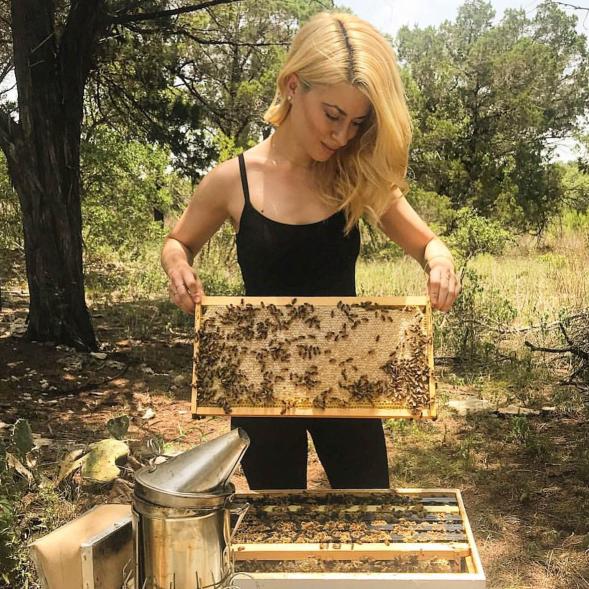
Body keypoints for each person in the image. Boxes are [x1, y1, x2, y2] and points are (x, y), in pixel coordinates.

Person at [161, 12, 460, 490]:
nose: (342, 136)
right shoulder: (231, 179)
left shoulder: (354, 172)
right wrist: (178, 265)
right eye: (332, 115)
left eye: (357, 122)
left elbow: (430, 245)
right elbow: (180, 241)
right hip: (260, 378)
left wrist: (440, 262)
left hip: (349, 376)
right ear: (294, 85)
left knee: (367, 512)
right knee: (276, 520)